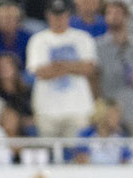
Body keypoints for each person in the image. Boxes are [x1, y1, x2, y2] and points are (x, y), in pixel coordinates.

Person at [26, 0, 97, 138]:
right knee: (50, 154)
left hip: (78, 108)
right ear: (48, 15)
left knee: (77, 153)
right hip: (46, 109)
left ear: (68, 15)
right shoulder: (38, 40)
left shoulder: (83, 38)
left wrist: (57, 66)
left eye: (62, 15)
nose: (58, 19)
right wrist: (73, 66)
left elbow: (88, 69)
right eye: (55, 15)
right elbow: (41, 72)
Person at [95, 0, 133, 134]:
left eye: (117, 12)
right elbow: (94, 76)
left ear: (126, 15)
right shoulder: (98, 46)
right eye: (109, 13)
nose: (113, 16)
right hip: (108, 107)